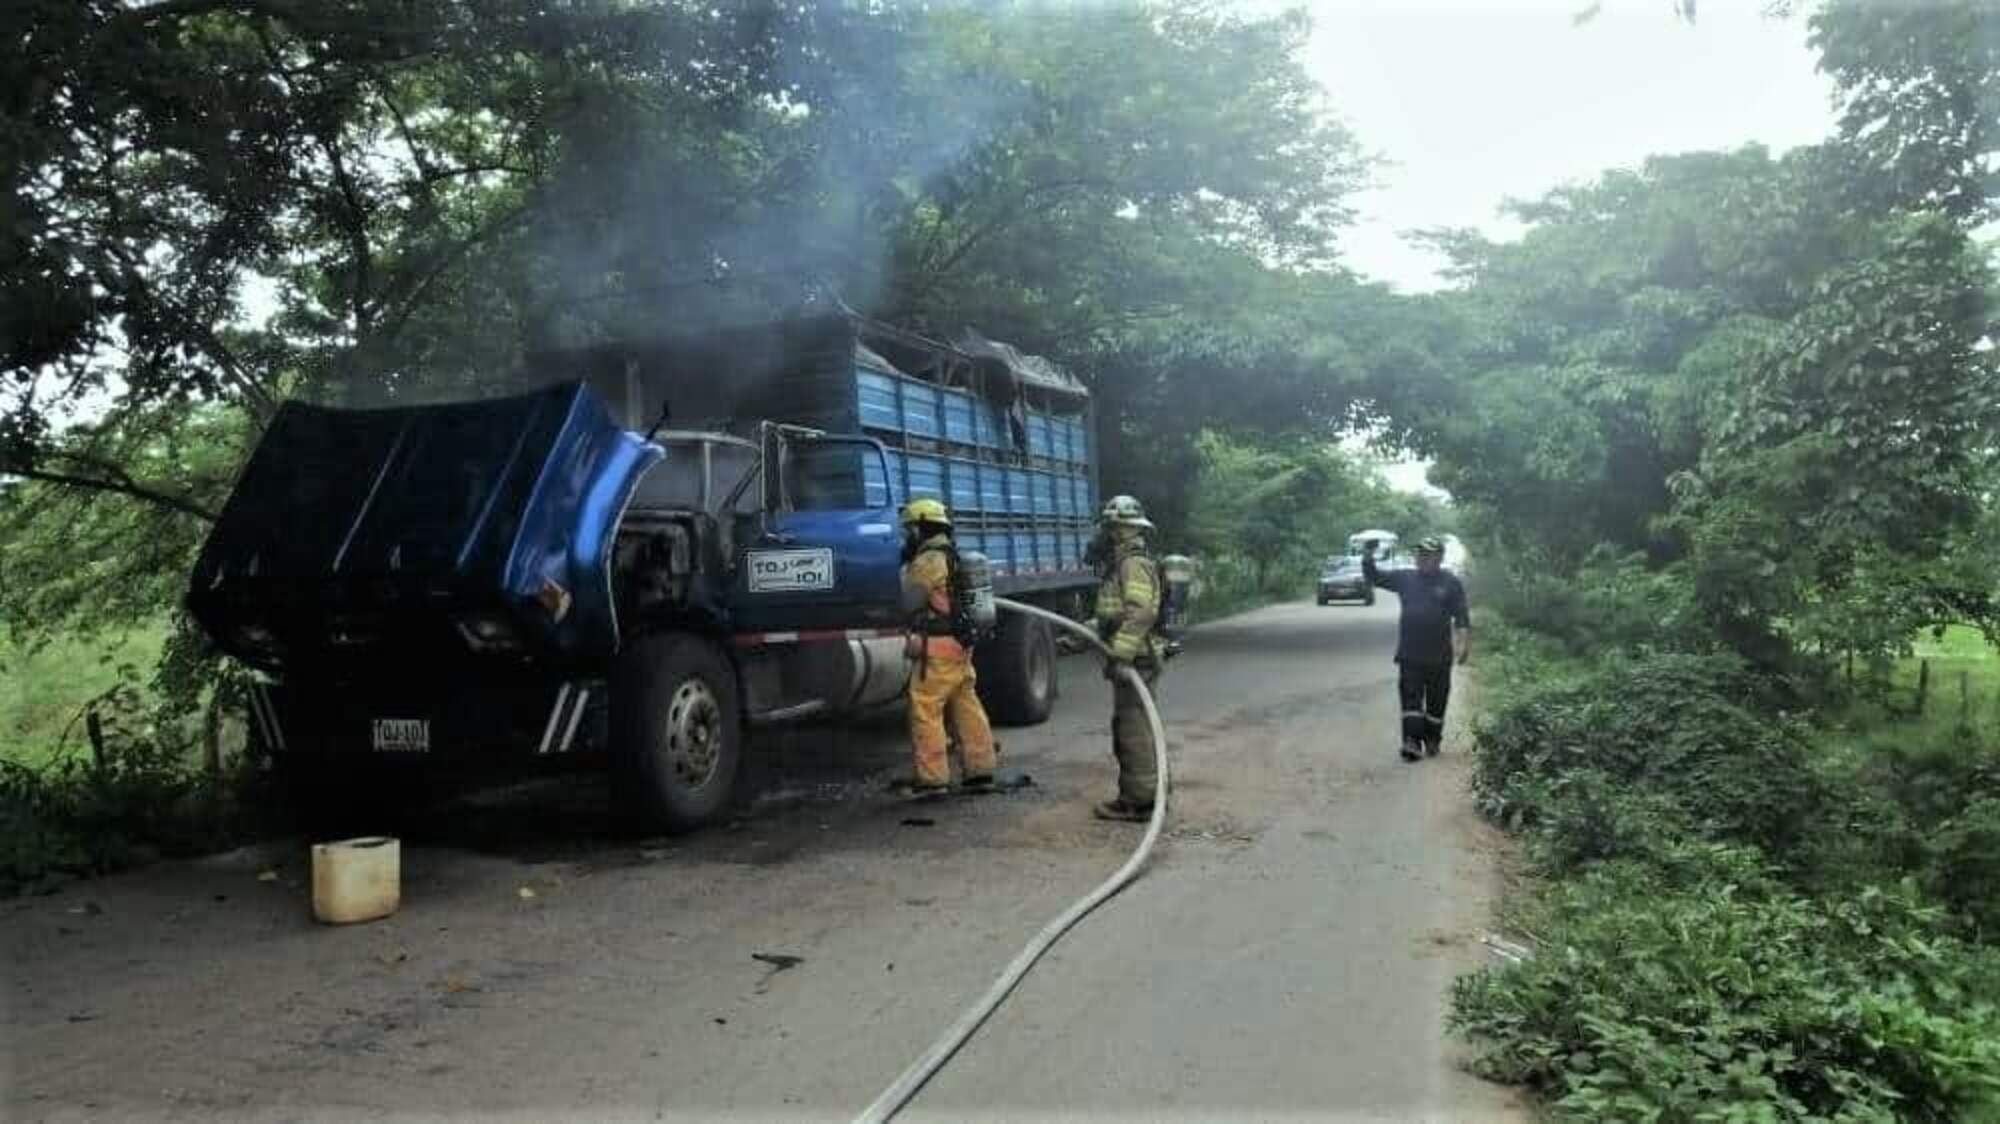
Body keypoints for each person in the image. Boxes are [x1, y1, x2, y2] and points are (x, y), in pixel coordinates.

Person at [899, 498, 997, 797]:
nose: (907, 536)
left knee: (925, 709)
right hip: (960, 646)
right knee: (966, 706)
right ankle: (980, 770)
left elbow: (911, 603)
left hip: (937, 650)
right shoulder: (952, 555)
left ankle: (932, 779)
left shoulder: (927, 561)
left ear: (921, 528)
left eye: (910, 530)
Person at [1090, 495, 1166, 822]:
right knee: (1135, 726)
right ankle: (1148, 792)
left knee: (1133, 730)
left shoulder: (1132, 563)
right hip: (1133, 656)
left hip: (1136, 659)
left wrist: (1121, 654)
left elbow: (1141, 612)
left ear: (1119, 530)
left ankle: (1141, 802)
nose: (1105, 534)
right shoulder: (1122, 563)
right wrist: (1086, 630)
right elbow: (1115, 611)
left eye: (1110, 528)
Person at [1363, 535, 1470, 762]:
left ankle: (1432, 740)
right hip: (1410, 654)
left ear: (1439, 557)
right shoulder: (1405, 578)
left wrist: (1463, 644)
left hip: (1440, 656)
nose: (1422, 559)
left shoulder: (1450, 582)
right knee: (1410, 701)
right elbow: (1374, 577)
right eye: (1419, 554)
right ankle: (1411, 742)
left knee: (1436, 703)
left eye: (1428, 555)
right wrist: (1368, 556)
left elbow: (1461, 616)